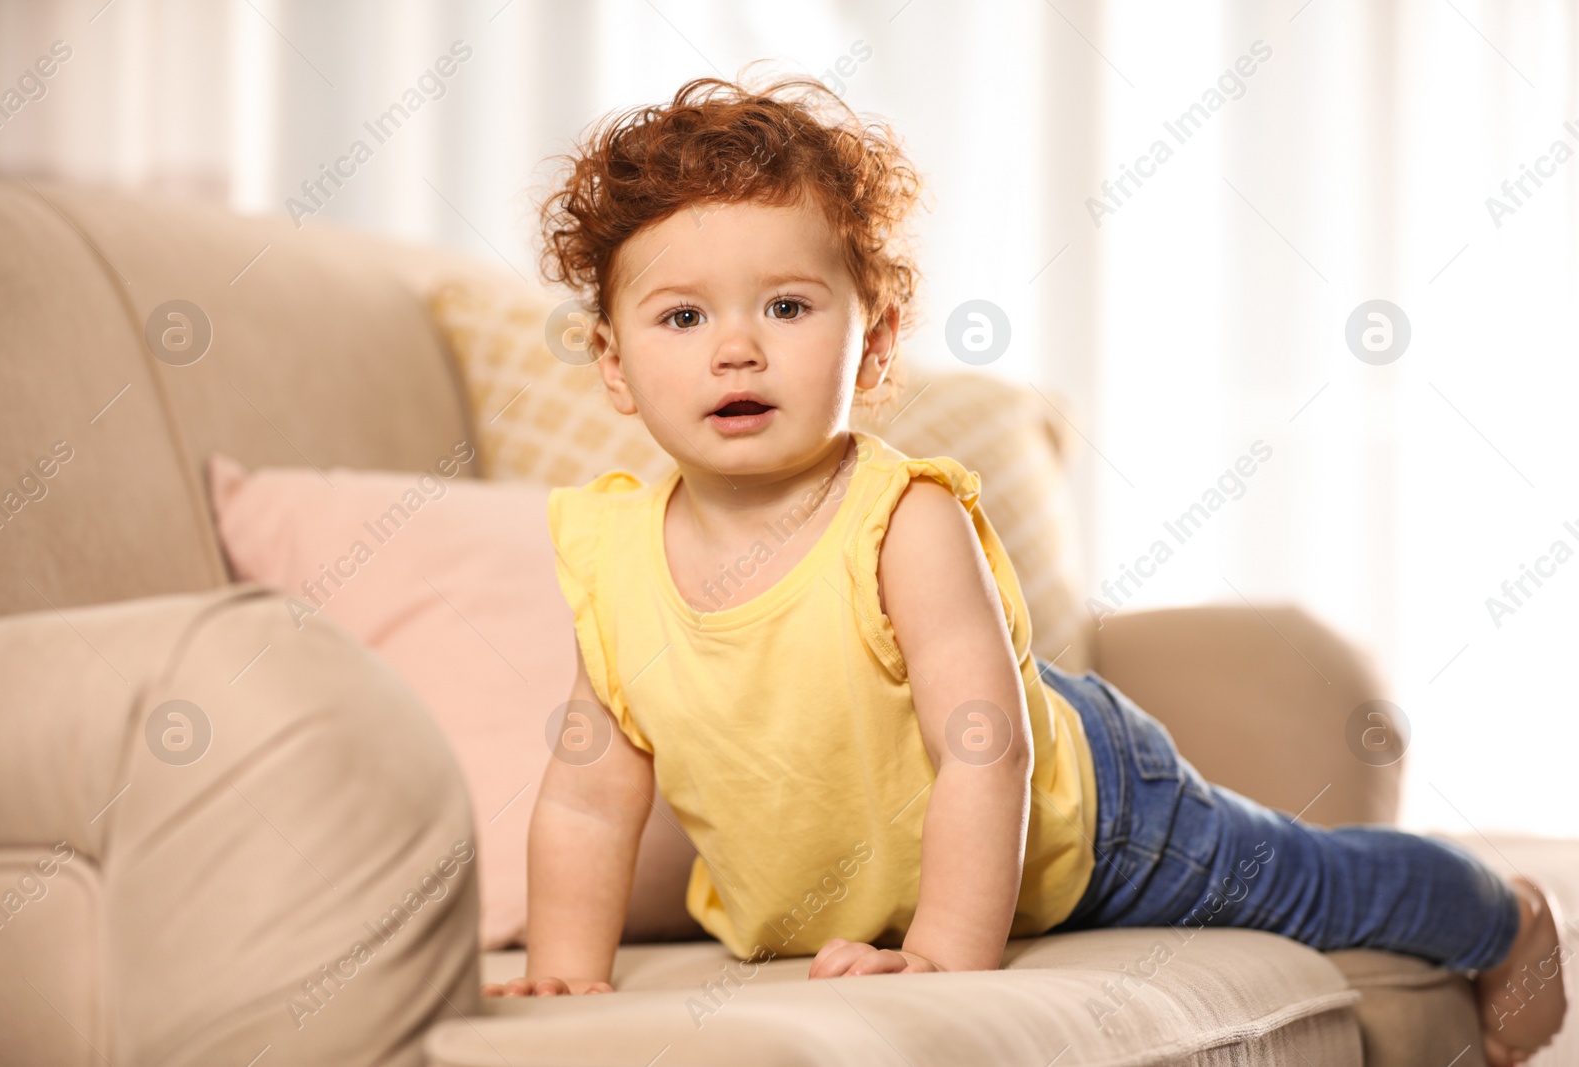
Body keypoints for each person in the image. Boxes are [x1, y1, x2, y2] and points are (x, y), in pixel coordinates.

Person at [483, 71, 1566, 1065]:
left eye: (787, 305)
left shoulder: (899, 518)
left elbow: (983, 745)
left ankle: (1501, 909)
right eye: (682, 315)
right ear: (615, 367)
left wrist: (947, 958)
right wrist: (569, 971)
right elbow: (589, 789)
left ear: (874, 342)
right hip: (854, 871)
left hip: (1090, 817)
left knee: (1305, 881)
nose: (737, 347)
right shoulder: (612, 552)